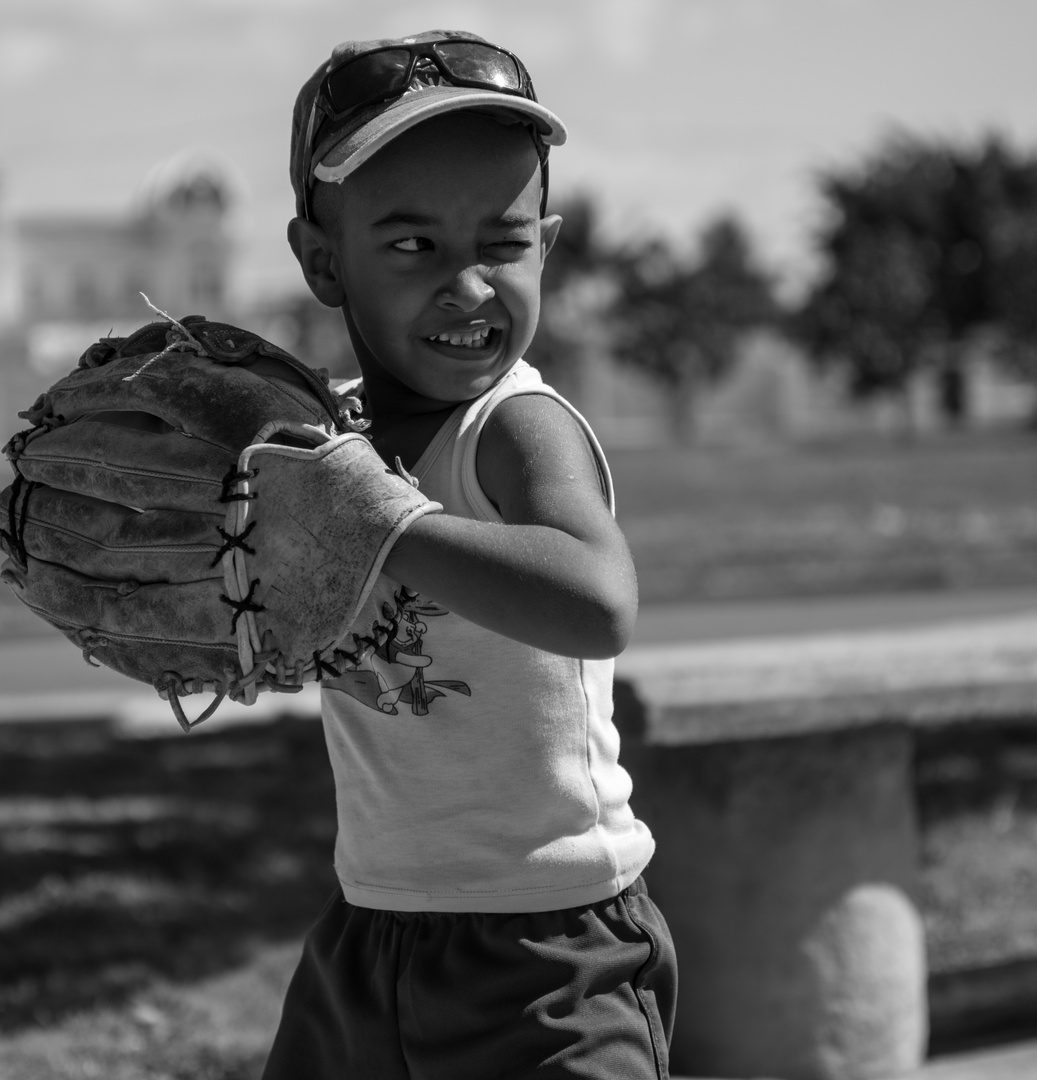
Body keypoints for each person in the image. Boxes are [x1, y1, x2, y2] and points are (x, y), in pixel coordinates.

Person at [263, 30, 676, 1079]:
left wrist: (385, 521)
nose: (470, 286)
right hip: (371, 926)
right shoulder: (330, 444)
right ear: (322, 260)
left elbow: (596, 601)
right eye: (412, 247)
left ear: (548, 243)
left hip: (548, 946)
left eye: (502, 244)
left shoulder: (513, 429)